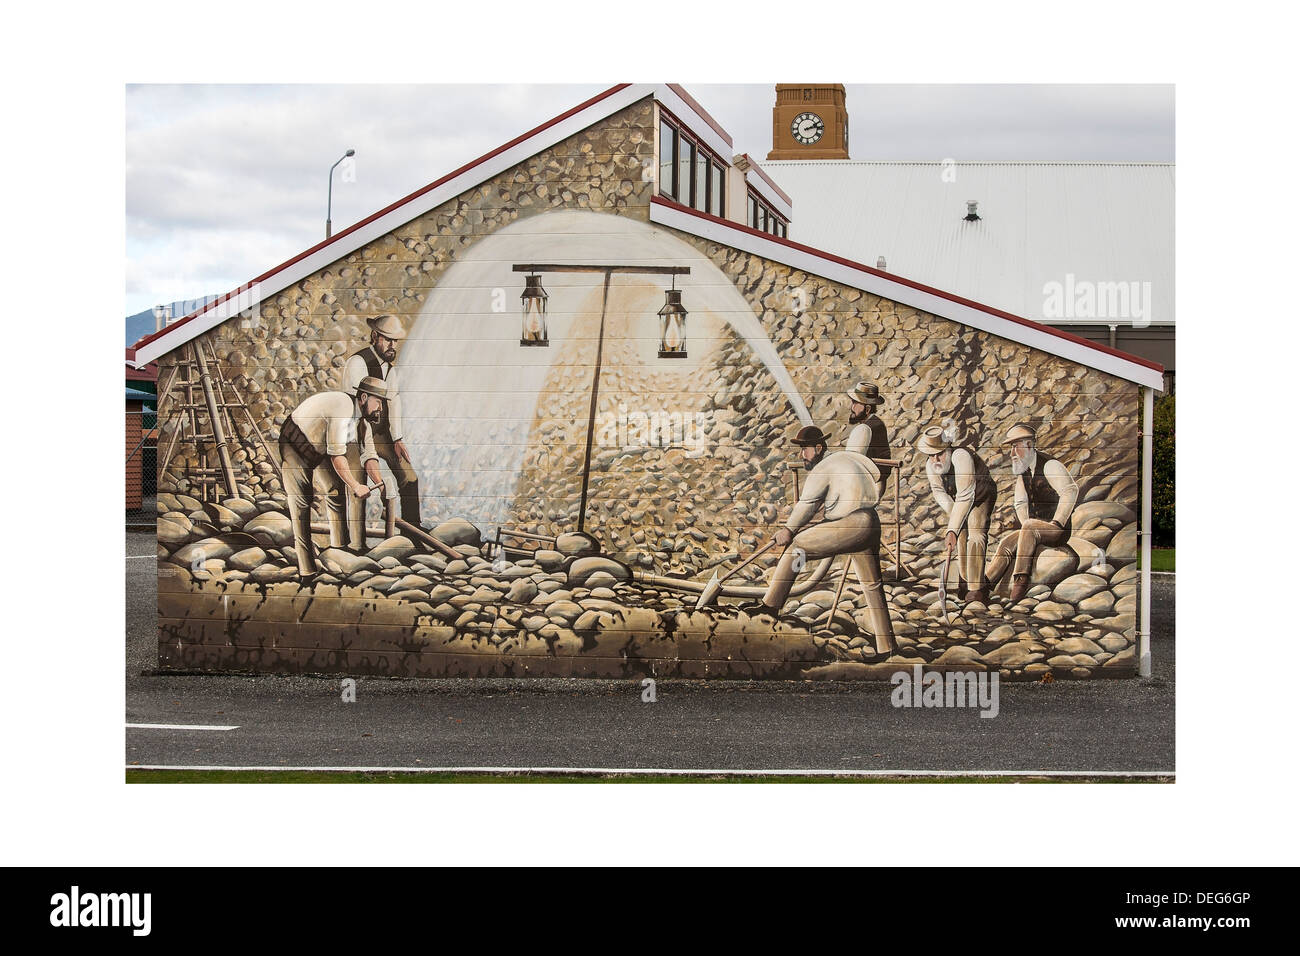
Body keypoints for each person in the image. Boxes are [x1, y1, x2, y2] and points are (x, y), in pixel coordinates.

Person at [745, 424, 896, 657]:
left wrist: (788, 530)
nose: (801, 455)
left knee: (797, 549)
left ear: (818, 448)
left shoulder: (823, 468)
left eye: (804, 450)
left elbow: (807, 505)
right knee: (872, 585)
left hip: (849, 524)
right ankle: (887, 648)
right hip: (870, 522)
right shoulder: (843, 460)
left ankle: (770, 607)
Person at [279, 377, 388, 579]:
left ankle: (339, 552)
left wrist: (380, 485)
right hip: (295, 442)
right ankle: (307, 571)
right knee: (301, 505)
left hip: (319, 447)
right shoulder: (343, 409)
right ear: (363, 398)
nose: (380, 408)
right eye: (378, 402)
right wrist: (356, 485)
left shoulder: (364, 424)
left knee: (335, 492)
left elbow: (369, 457)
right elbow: (337, 456)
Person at [985, 422, 1079, 604]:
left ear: (1029, 445)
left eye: (1015, 447)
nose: (1012, 453)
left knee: (1027, 527)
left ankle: (1020, 582)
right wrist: (1026, 526)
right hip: (1035, 529)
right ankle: (986, 584)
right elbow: (1020, 503)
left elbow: (1070, 491)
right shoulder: (1025, 472)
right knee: (1007, 542)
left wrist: (1057, 522)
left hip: (1057, 530)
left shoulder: (1050, 466)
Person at [343, 314, 422, 526]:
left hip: (382, 434)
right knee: (359, 486)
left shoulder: (390, 369)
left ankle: (413, 531)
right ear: (375, 336)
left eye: (395, 341)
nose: (392, 345)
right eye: (388, 339)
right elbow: (357, 409)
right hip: (356, 435)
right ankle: (355, 542)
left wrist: (397, 438)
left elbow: (394, 401)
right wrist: (366, 449)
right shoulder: (357, 362)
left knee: (410, 479)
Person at [917, 424, 998, 603]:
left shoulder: (961, 457)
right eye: (932, 455)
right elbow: (939, 492)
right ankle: (964, 579)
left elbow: (966, 496)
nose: (936, 458)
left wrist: (951, 529)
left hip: (980, 495)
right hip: (960, 498)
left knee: (975, 533)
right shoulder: (931, 466)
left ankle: (976, 589)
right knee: (960, 532)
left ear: (948, 448)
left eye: (940, 453)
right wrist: (954, 523)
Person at [844, 381, 893, 484]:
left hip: (867, 482)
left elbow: (851, 461)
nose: (852, 408)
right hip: (877, 479)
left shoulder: (864, 429)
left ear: (867, 409)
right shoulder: (877, 423)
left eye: (855, 403)